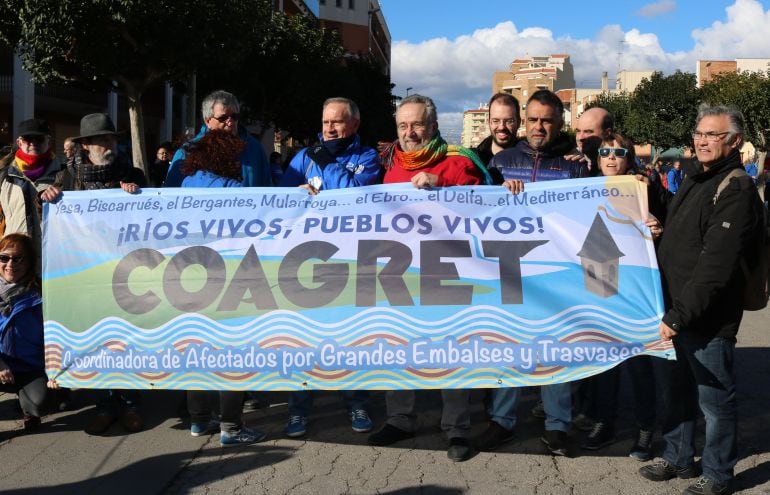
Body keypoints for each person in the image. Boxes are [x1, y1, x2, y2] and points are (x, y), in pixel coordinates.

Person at [639, 104, 765, 495]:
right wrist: (660, 229)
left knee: (714, 401)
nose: (703, 140)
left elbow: (716, 266)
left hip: (707, 317)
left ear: (735, 142)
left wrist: (679, 317)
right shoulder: (694, 179)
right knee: (676, 390)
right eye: (700, 133)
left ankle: (718, 472)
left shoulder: (737, 189)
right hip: (673, 307)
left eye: (713, 134)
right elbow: (685, 238)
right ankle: (677, 456)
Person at [368, 94, 489, 462]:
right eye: (403, 125)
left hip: (448, 274)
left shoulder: (458, 161)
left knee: (451, 350)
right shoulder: (391, 167)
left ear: (433, 127)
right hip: (402, 275)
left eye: (417, 124)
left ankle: (456, 429)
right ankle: (400, 419)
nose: (409, 132)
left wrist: (442, 183)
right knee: (399, 347)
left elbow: (482, 199)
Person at [476, 89, 587, 457]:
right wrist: (499, 192)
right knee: (508, 346)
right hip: (508, 269)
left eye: (548, 120)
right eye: (534, 119)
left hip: (556, 274)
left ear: (559, 123)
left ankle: (557, 425)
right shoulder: (501, 161)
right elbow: (476, 212)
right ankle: (501, 420)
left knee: (555, 348)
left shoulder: (575, 165)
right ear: (526, 120)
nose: (540, 126)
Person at [279, 97, 380, 438]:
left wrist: (326, 160)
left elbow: (355, 196)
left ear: (354, 125)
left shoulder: (366, 157)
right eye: (325, 123)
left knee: (349, 338)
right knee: (304, 340)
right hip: (305, 263)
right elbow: (278, 201)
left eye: (336, 122)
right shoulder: (301, 157)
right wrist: (296, 193)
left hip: (348, 261)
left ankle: (356, 402)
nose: (329, 129)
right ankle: (298, 410)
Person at [42, 113, 146, 434]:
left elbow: (153, 213)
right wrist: (44, 195)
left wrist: (136, 190)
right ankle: (103, 404)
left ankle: (128, 403)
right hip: (85, 274)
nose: (109, 145)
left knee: (124, 338)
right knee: (97, 338)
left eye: (112, 139)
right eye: (102, 140)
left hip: (125, 271)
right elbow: (45, 212)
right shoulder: (67, 179)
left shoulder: (131, 173)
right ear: (86, 145)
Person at [576, 132, 668, 462]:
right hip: (598, 284)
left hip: (636, 290)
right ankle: (604, 422)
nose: (611, 157)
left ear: (628, 157)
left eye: (618, 152)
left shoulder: (645, 189)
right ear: (597, 157)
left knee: (640, 364)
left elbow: (669, 222)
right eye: (605, 152)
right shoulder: (581, 189)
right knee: (603, 364)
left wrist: (658, 225)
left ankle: (646, 429)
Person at [178, 129, 267, 445]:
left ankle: (199, 421)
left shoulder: (185, 186)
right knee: (231, 352)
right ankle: (232, 426)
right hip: (228, 278)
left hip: (191, 278)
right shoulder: (233, 189)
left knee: (198, 350)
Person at [164, 90, 271, 188]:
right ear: (207, 120)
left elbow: (268, 189)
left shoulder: (254, 148)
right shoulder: (188, 151)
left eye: (234, 117)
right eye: (223, 118)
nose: (230, 123)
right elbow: (172, 196)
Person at [0, 233, 49, 432]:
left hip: (31, 366)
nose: (10, 264)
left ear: (29, 262)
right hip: (1, 363)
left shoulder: (41, 292)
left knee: (39, 403)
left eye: (18, 258)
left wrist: (54, 369)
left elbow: (54, 335)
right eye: (4, 258)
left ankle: (31, 407)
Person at [472, 93, 521, 168]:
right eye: (496, 121)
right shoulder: (474, 161)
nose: (501, 127)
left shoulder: (532, 161)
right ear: (489, 122)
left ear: (519, 122)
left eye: (509, 121)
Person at [575, 107, 614, 176]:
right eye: (578, 131)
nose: (580, 137)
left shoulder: (623, 163)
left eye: (588, 132)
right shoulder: (568, 158)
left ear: (607, 133)